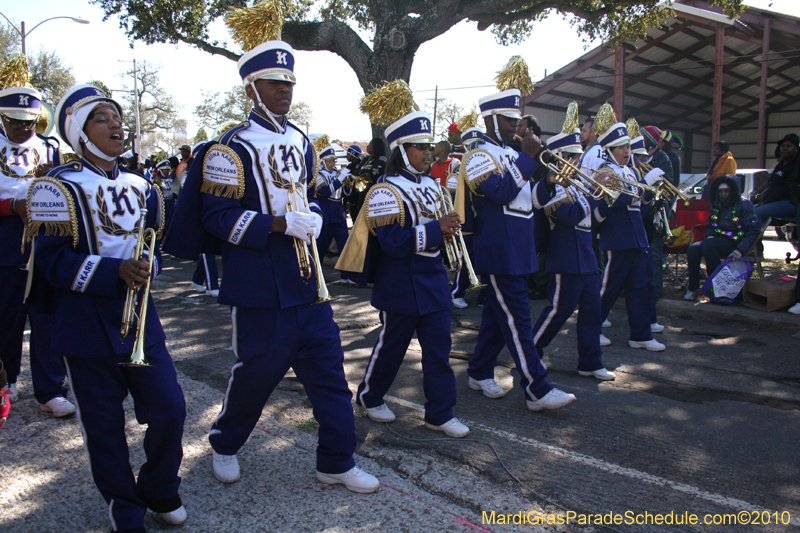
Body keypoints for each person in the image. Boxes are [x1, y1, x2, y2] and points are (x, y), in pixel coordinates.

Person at [163, 40, 379, 494]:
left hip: (308, 282)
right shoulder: (229, 147)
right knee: (257, 376)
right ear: (251, 88)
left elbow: (318, 192)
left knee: (330, 376)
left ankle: (337, 460)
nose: (285, 90)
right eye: (275, 82)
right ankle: (224, 442)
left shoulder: (302, 140)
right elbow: (216, 219)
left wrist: (320, 214)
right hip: (259, 285)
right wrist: (279, 224)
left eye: (289, 82)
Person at [30, 84, 187, 531]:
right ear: (79, 132)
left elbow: (153, 245)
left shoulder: (144, 186)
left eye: (117, 116)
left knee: (170, 408)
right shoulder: (56, 187)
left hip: (140, 319)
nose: (116, 124)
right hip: (83, 323)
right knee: (104, 426)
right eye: (102, 118)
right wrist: (112, 272)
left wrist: (146, 266)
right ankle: (124, 504)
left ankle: (158, 487)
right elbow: (52, 262)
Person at [352, 107, 469, 438]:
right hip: (400, 281)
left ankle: (440, 412)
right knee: (392, 346)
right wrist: (436, 229)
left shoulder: (433, 186)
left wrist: (450, 231)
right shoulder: (384, 190)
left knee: (438, 351)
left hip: (432, 277)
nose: (428, 153)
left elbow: (440, 225)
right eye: (421, 146)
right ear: (402, 149)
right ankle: (369, 396)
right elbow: (392, 243)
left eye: (430, 146)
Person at [463, 88, 576, 411]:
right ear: (490, 119)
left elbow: (532, 201)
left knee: (500, 317)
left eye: (517, 120)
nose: (515, 126)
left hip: (520, 246)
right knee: (518, 320)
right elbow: (499, 192)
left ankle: (479, 370)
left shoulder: (513, 155)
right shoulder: (478, 156)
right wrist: (527, 157)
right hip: (498, 249)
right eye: (508, 120)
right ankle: (536, 388)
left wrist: (551, 182)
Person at [0, 85, 75, 417]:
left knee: (46, 316)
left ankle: (50, 389)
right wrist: (11, 206)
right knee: (6, 315)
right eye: (16, 122)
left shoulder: (50, 148)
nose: (23, 129)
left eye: (29, 122)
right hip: (4, 238)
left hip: (43, 239)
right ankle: (6, 379)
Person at [531, 114, 615, 381]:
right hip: (565, 257)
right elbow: (568, 216)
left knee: (592, 312)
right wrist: (594, 194)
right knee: (558, 311)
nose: (578, 162)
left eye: (577, 156)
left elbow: (594, 219)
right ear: (559, 158)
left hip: (586, 257)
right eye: (572, 156)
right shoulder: (552, 188)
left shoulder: (580, 188)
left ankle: (590, 361)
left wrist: (608, 198)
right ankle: (531, 353)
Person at [592, 105, 666, 352]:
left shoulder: (630, 170)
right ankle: (593, 326)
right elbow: (619, 199)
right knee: (610, 286)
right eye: (622, 148)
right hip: (617, 236)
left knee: (640, 287)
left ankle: (641, 334)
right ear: (610, 150)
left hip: (636, 236)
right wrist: (644, 184)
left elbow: (639, 204)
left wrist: (650, 193)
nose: (627, 151)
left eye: (627, 147)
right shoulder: (606, 172)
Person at [684, 176, 760, 300]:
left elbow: (753, 230)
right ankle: (693, 288)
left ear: (734, 191)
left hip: (736, 241)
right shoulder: (717, 204)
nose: (723, 194)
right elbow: (710, 225)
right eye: (721, 191)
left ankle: (715, 287)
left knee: (708, 245)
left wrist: (740, 250)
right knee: (693, 249)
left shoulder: (744, 204)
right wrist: (709, 235)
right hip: (716, 240)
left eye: (727, 191)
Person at [753, 133, 799, 234]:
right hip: (775, 201)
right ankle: (754, 247)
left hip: (790, 202)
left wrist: (766, 201)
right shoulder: (781, 165)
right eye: (783, 146)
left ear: (796, 148)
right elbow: (771, 184)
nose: (785, 148)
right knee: (747, 211)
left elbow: (785, 189)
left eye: (789, 146)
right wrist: (759, 196)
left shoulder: (794, 166)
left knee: (756, 213)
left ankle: (748, 244)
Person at [315, 145, 350, 257]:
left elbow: (344, 194)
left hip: (339, 216)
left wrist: (348, 184)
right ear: (323, 162)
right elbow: (325, 192)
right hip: (327, 216)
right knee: (321, 247)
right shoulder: (319, 175)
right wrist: (339, 180)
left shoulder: (337, 173)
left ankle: (346, 274)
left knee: (345, 248)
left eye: (334, 161)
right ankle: (317, 273)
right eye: (330, 161)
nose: (333, 163)